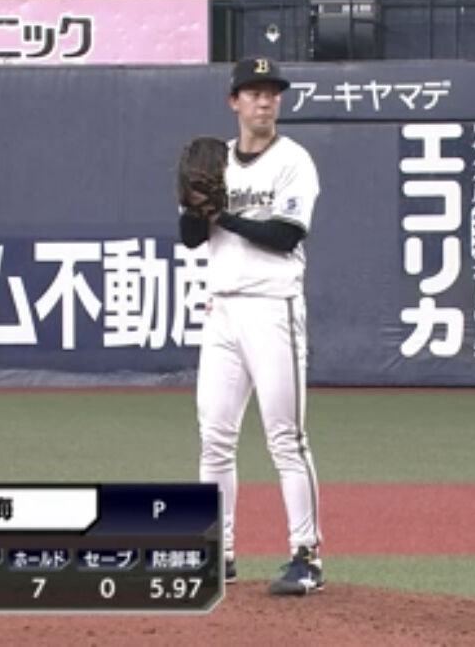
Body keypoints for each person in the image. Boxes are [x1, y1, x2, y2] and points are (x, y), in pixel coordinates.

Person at [178, 56, 323, 596]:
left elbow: (286, 235)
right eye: (254, 91)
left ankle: (306, 556)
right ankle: (219, 553)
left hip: (272, 306)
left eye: (272, 92)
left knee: (286, 437)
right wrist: (195, 210)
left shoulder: (293, 160)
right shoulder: (215, 161)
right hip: (222, 310)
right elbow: (191, 238)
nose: (265, 100)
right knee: (214, 436)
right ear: (233, 102)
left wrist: (223, 215)